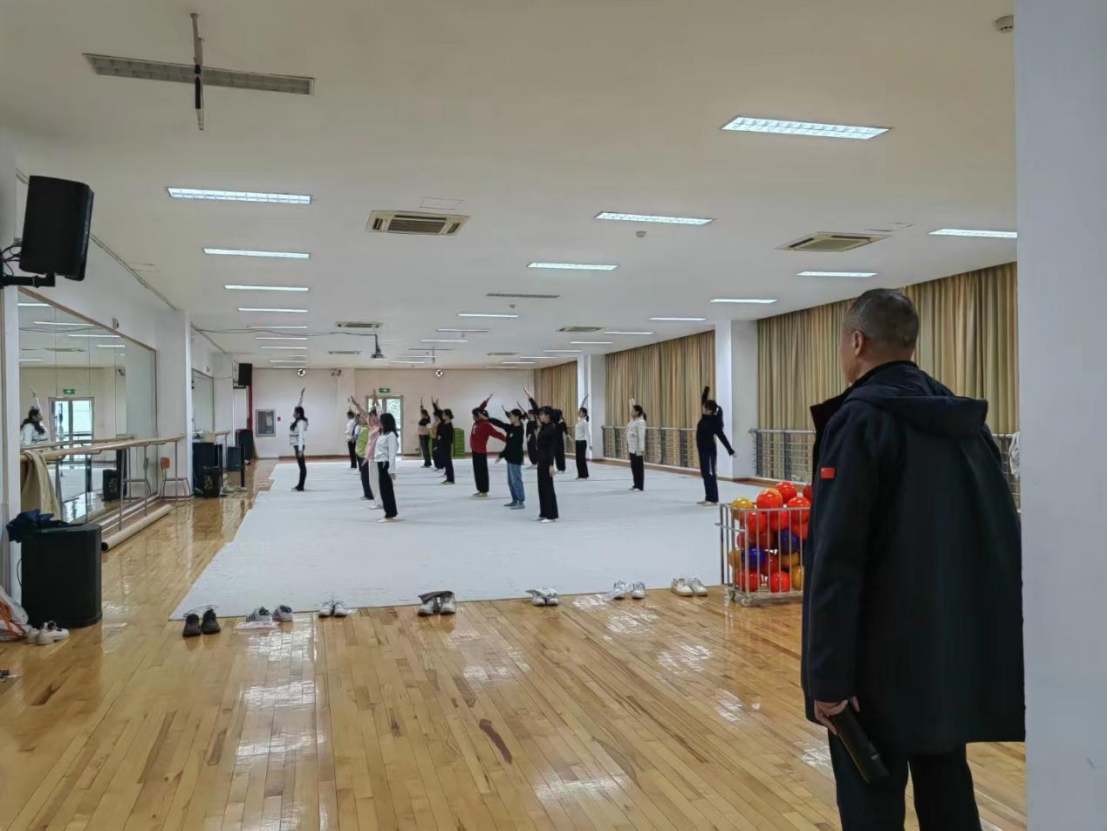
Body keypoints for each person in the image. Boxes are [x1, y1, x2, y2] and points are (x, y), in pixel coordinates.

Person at [803, 289, 1024, 830]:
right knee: (949, 792)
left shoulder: (858, 421)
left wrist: (827, 679)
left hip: (873, 667)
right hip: (946, 653)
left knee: (871, 803)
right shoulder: (964, 423)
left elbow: (837, 558)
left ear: (857, 341)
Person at [696, 386, 735, 505]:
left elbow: (722, 437)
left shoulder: (714, 422)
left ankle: (713, 499)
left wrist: (730, 450)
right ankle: (708, 497)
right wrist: (706, 391)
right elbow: (703, 400)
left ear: (709, 410)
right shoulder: (704, 417)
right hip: (702, 450)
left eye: (705, 407)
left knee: (710, 474)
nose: (703, 408)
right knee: (705, 474)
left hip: (709, 451)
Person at [527, 391, 559, 523]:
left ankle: (551, 516)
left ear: (548, 416)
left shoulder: (552, 428)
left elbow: (552, 448)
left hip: (546, 462)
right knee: (541, 488)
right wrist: (530, 398)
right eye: (539, 414)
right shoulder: (545, 426)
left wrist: (551, 465)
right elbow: (536, 411)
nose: (539, 416)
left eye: (542, 414)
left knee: (547, 488)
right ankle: (543, 513)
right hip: (541, 461)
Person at [469, 395, 506, 498]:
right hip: (474, 450)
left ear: (479, 416)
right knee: (477, 472)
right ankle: (480, 489)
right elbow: (480, 408)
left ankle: (484, 491)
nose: (473, 417)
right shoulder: (477, 422)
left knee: (482, 472)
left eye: (474, 415)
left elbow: (497, 434)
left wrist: (508, 440)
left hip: (480, 452)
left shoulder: (485, 425)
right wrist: (486, 400)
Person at [490, 407, 527, 509]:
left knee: (516, 481)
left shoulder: (519, 430)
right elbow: (501, 424)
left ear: (517, 417)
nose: (510, 418)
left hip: (515, 458)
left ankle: (521, 501)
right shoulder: (511, 427)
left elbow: (511, 446)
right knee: (510, 482)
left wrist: (501, 455)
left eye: (511, 416)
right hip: (509, 458)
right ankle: (515, 500)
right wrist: (488, 419)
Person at [374, 412, 400, 522]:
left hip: (385, 464)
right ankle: (391, 512)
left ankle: (389, 514)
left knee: (386, 490)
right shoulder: (383, 434)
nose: (378, 422)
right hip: (380, 463)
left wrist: (392, 470)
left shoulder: (391, 435)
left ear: (385, 422)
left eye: (380, 421)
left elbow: (392, 453)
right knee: (383, 490)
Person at [432, 400, 455, 484]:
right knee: (444, 461)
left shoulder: (449, 425)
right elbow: (439, 412)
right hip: (441, 444)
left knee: (448, 462)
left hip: (446, 445)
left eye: (444, 415)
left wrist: (441, 437)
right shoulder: (443, 422)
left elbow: (449, 438)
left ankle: (450, 479)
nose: (442, 416)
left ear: (447, 416)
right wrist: (435, 405)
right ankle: (448, 477)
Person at [289, 389, 308, 491]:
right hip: (296, 445)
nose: (293, 413)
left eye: (295, 412)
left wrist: (300, 450)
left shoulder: (300, 423)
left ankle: (301, 486)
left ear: (298, 414)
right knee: (301, 466)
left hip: (299, 446)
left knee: (302, 467)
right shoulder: (298, 420)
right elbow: (299, 406)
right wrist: (301, 397)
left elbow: (301, 436)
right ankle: (300, 485)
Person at [626, 399, 647, 491]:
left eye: (633, 411)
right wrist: (631, 403)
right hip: (631, 447)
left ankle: (640, 485)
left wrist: (642, 448)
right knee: (634, 467)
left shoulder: (641, 422)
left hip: (637, 448)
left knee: (639, 467)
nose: (631, 412)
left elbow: (641, 436)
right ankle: (635, 484)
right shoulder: (633, 421)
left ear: (637, 412)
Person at [574, 399, 591, 480]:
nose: (578, 413)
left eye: (580, 412)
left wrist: (590, 444)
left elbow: (588, 434)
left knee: (581, 459)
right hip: (577, 441)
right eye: (579, 412)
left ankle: (584, 475)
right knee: (578, 459)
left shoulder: (584, 422)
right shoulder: (579, 421)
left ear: (584, 413)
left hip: (582, 442)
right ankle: (580, 474)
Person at [418, 402, 433, 467]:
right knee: (424, 450)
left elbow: (429, 428)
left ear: (424, 414)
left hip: (425, 436)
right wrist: (421, 406)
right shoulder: (423, 418)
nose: (421, 414)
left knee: (426, 450)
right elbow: (421, 411)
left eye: (422, 414)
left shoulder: (427, 419)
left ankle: (428, 463)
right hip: (421, 435)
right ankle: (426, 462)